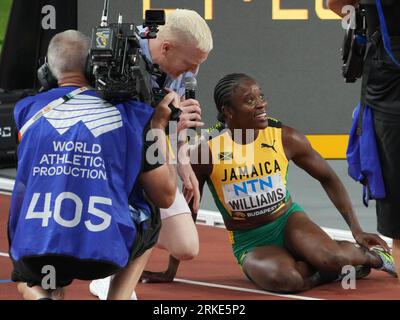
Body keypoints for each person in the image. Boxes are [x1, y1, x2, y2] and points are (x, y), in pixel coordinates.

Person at [185, 73, 396, 293]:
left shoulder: (283, 137)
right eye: (250, 101)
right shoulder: (206, 150)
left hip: (289, 222)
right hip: (250, 240)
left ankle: (372, 258)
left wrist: (356, 229)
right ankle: (331, 267)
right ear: (228, 111)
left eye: (261, 96)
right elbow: (189, 207)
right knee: (286, 281)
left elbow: (328, 177)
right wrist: (173, 266)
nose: (261, 104)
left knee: (332, 258)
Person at [8, 30, 177, 300]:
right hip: (104, 254)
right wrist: (157, 127)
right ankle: (117, 298)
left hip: (38, 249)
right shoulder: (132, 114)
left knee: (33, 273)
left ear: (47, 71)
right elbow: (166, 195)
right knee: (151, 211)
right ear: (93, 64)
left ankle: (43, 296)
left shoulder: (26, 111)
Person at [89, 8, 213, 297]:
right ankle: (109, 276)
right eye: (190, 64)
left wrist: (183, 161)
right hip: (110, 159)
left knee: (186, 246)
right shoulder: (118, 58)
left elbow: (172, 123)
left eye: (198, 65)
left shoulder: (177, 66)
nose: (193, 73)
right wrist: (160, 122)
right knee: (142, 214)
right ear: (166, 47)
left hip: (150, 155)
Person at [328, 0, 400, 280]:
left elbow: (336, 4)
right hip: (387, 71)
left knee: (394, 163)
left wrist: (367, 22)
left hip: (385, 63)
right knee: (393, 163)